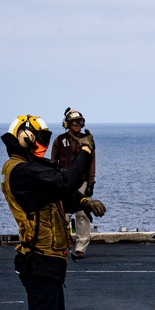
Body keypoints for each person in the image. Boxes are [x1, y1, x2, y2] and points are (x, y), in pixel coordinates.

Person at [0, 114, 105, 310]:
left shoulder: (31, 170)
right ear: (26, 138)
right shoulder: (20, 172)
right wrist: (85, 153)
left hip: (49, 261)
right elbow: (61, 181)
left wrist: (82, 202)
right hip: (39, 261)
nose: (43, 145)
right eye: (39, 139)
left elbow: (58, 192)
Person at [50, 108, 97, 259]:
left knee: (82, 214)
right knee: (62, 215)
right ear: (67, 124)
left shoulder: (87, 140)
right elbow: (53, 162)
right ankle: (63, 244)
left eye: (80, 123)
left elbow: (91, 162)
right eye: (75, 123)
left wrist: (91, 182)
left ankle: (81, 247)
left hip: (81, 181)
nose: (78, 126)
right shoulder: (59, 140)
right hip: (63, 182)